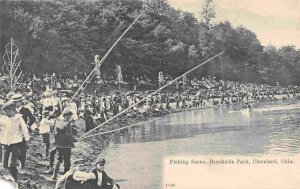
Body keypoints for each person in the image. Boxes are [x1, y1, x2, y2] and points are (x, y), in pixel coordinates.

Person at [0, 101, 30, 182]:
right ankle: (6, 180)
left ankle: (15, 180)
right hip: (5, 143)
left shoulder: (18, 118)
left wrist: (27, 140)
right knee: (4, 163)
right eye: (4, 111)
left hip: (15, 143)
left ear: (13, 110)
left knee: (12, 164)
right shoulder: (3, 118)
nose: (5, 112)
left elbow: (24, 129)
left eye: (7, 110)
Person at [55, 158, 120, 189]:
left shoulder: (104, 174)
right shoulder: (92, 173)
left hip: (101, 187)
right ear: (96, 165)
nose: (102, 166)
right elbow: (84, 181)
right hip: (92, 188)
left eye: (103, 165)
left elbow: (110, 179)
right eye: (100, 165)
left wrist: (114, 185)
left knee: (116, 187)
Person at [52, 109, 77, 180]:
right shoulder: (68, 123)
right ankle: (66, 177)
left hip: (58, 144)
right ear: (65, 116)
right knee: (67, 160)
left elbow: (54, 132)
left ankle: (54, 175)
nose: (70, 117)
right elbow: (69, 135)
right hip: (66, 145)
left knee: (59, 159)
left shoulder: (57, 122)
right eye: (69, 116)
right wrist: (74, 140)